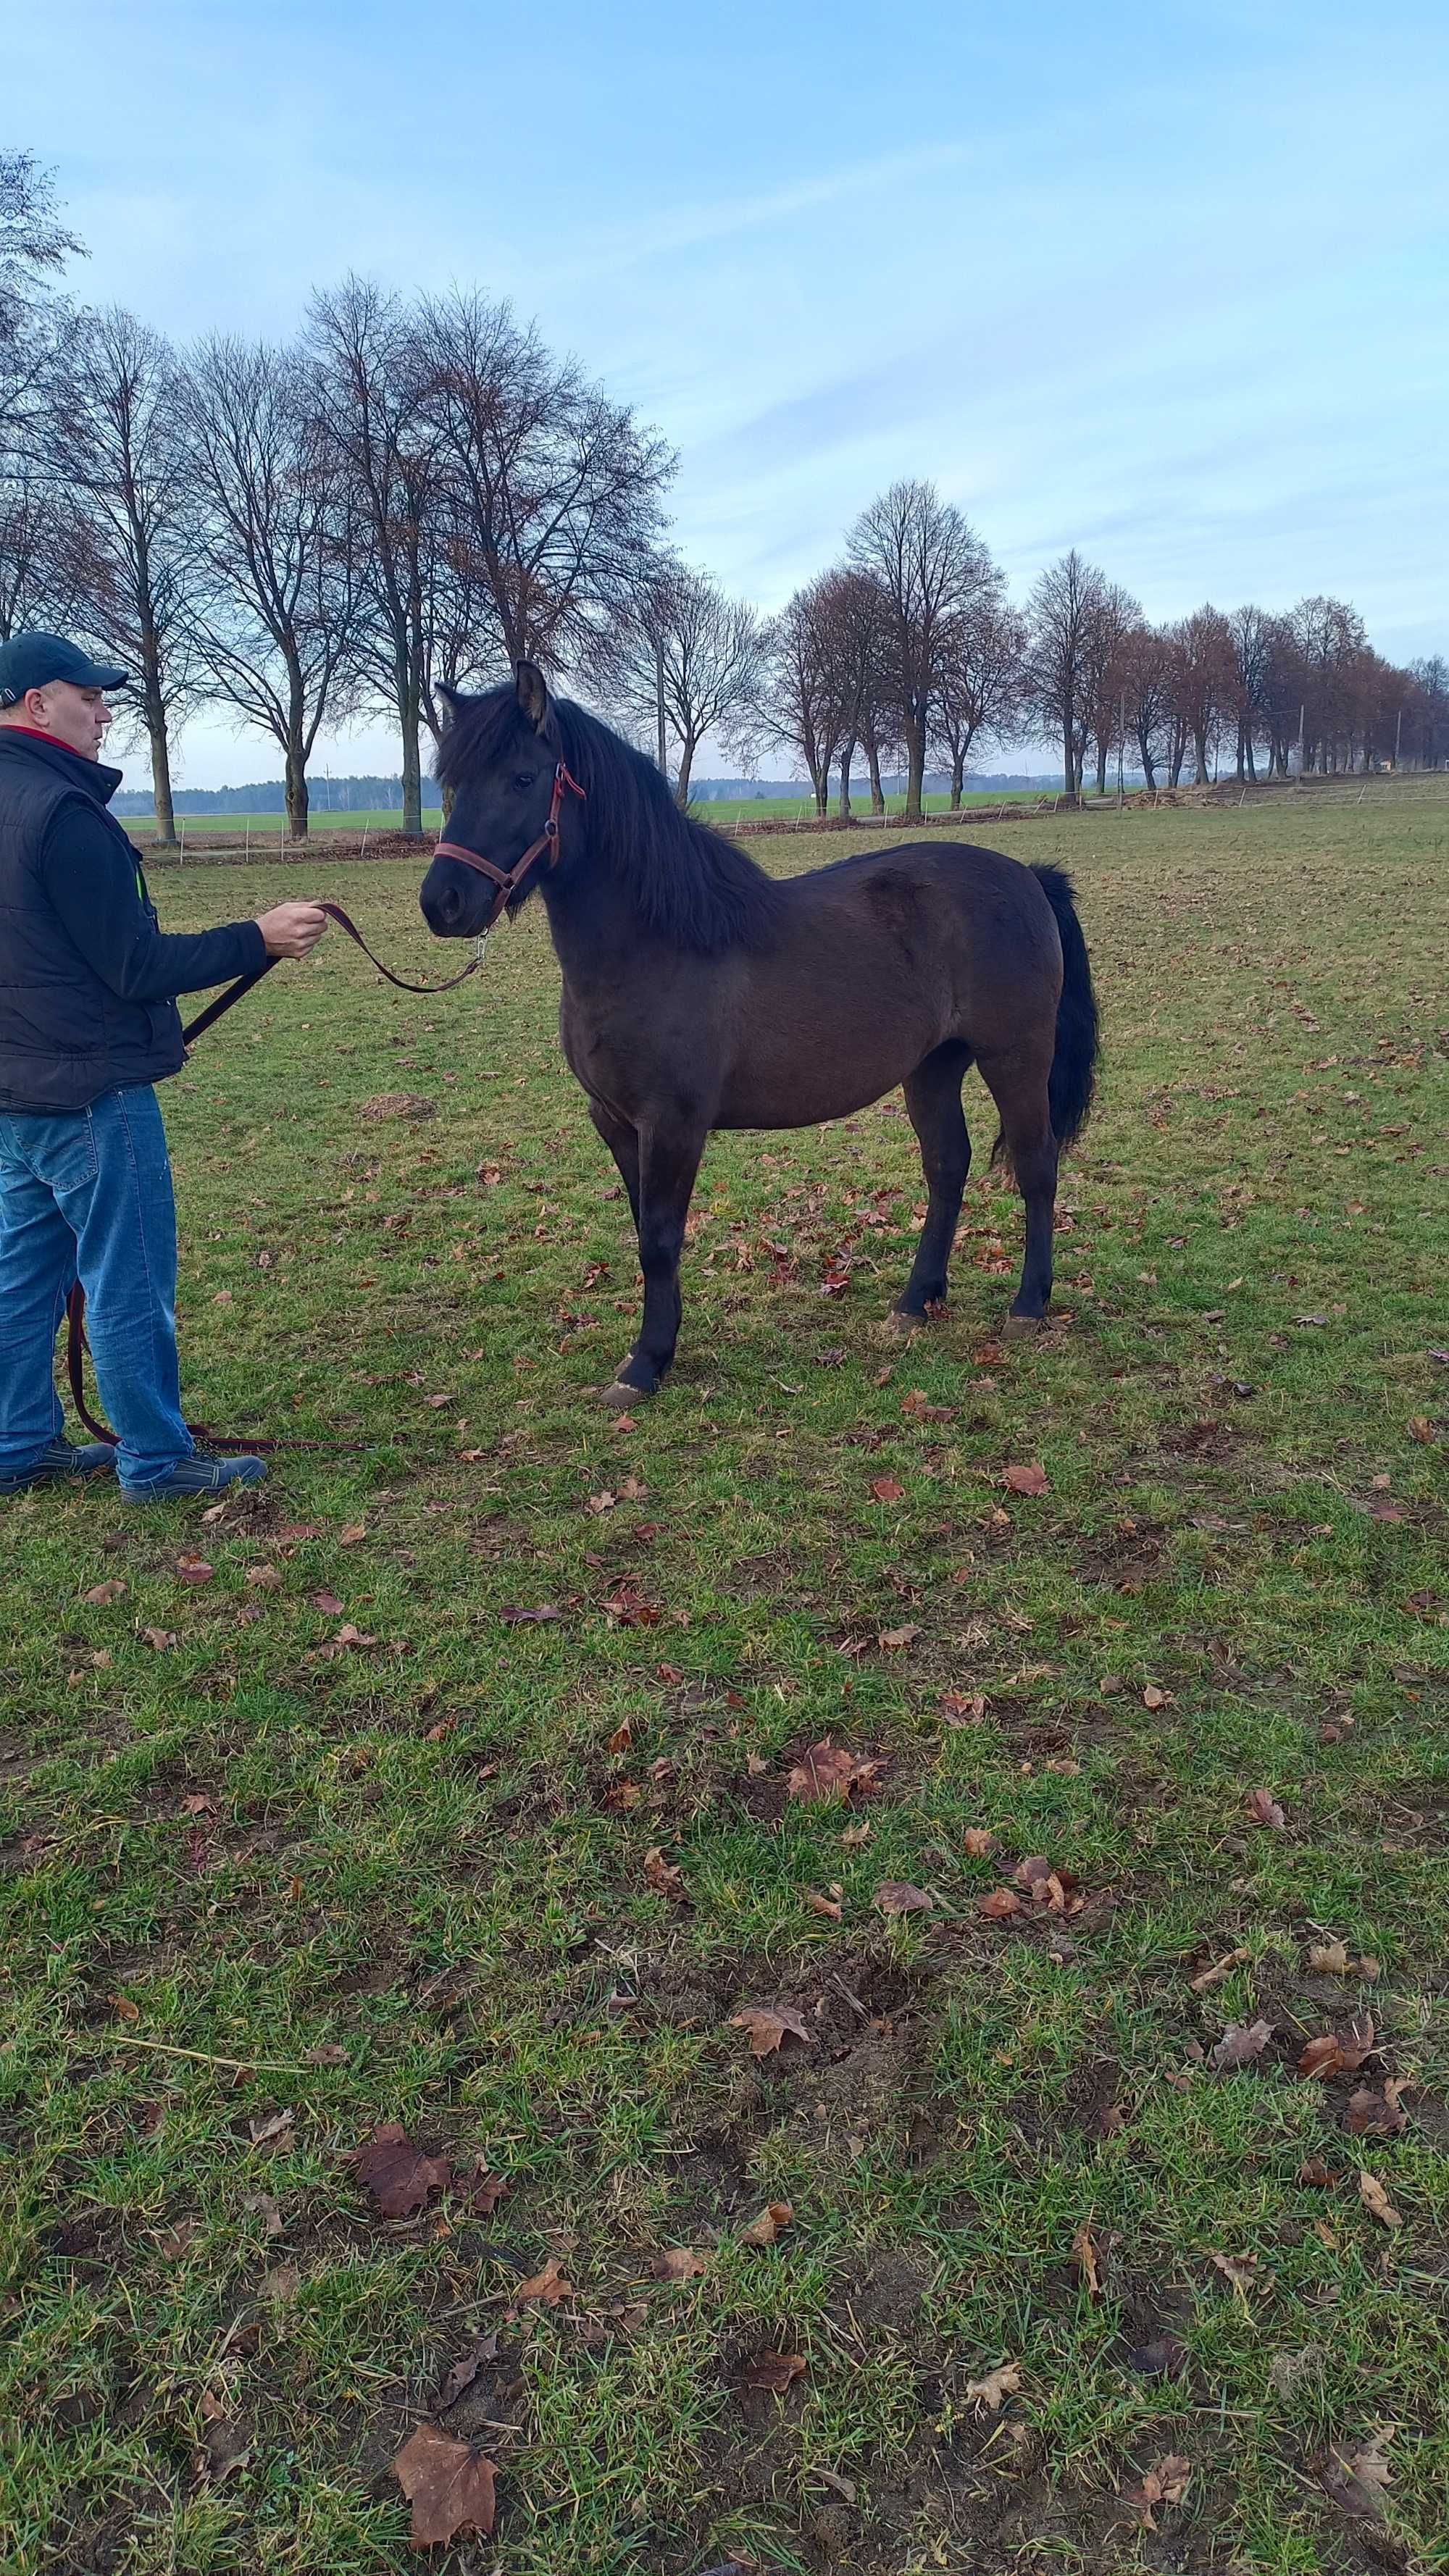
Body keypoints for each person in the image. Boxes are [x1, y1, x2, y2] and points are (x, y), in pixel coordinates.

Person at [0, 632, 328, 1500]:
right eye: (91, 697)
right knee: (129, 1276)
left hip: (16, 1096)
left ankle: (18, 1444)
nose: (106, 713)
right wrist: (256, 938)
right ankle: (156, 1457)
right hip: (89, 1100)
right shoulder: (64, 815)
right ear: (39, 703)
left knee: (22, 1280)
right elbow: (134, 964)